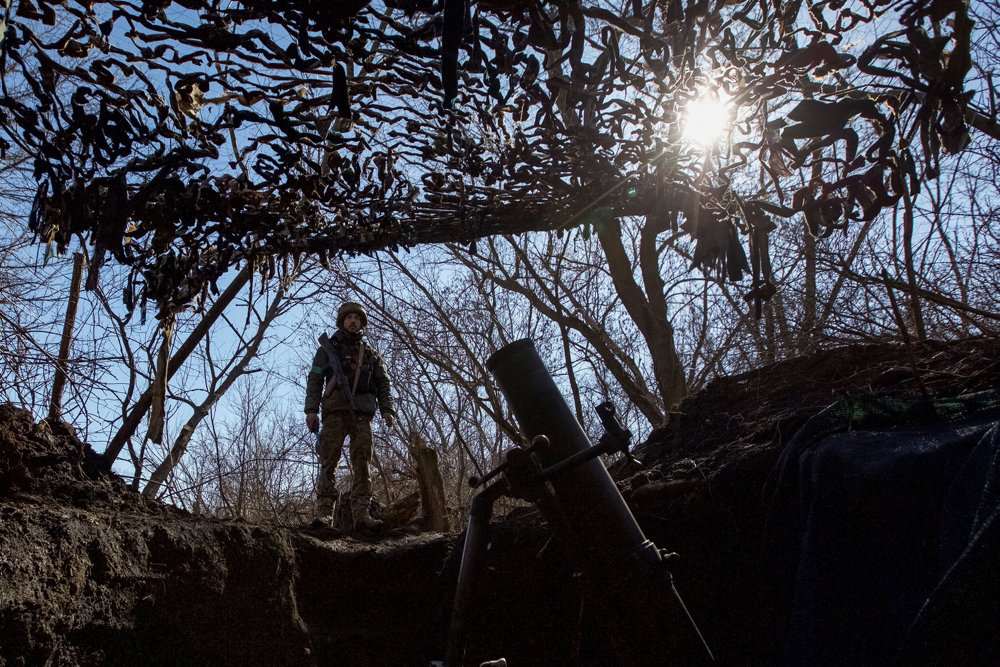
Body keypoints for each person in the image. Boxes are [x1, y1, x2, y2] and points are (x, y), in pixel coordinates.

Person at [305, 301, 396, 530]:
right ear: (342, 321)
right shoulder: (327, 349)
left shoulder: (371, 355)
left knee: (363, 463)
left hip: (362, 414)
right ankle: (325, 514)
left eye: (357, 318)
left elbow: (383, 383)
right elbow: (315, 378)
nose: (353, 321)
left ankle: (361, 515)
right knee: (328, 462)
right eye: (349, 318)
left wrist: (387, 409)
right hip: (334, 411)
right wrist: (311, 410)